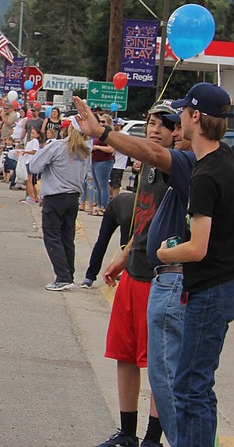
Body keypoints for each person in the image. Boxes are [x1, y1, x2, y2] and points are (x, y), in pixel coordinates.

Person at [74, 96, 184, 447]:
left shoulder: (175, 165)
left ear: (178, 131)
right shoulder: (148, 167)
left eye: (163, 126)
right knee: (124, 354)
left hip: (162, 280)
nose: (154, 131)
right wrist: (123, 255)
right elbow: (146, 216)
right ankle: (127, 433)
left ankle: (153, 437)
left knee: (157, 364)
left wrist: (103, 131)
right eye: (151, 123)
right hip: (135, 272)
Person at [156, 83, 234, 447]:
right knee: (198, 384)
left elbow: (197, 248)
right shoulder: (227, 159)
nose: (179, 120)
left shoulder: (204, 175)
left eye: (184, 112)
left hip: (209, 288)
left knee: (189, 386)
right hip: (224, 283)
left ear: (196, 117)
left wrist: (165, 253)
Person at [29, 117, 90, 291]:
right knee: (67, 237)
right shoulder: (86, 151)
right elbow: (85, 176)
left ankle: (62, 277)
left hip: (55, 196)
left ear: (69, 128)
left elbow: (34, 166)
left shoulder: (57, 146)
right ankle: (68, 274)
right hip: (73, 197)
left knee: (52, 236)